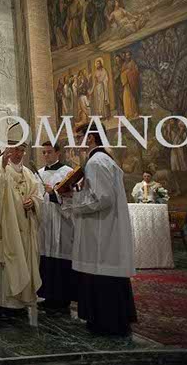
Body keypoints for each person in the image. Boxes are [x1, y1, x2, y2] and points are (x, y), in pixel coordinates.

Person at [57, 123, 137, 335]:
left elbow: (102, 198)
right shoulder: (104, 159)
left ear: (91, 137)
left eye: (79, 136)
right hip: (105, 226)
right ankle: (110, 320)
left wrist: (73, 200)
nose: (77, 140)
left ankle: (106, 321)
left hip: (101, 229)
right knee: (105, 275)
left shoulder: (96, 162)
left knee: (101, 275)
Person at [0, 123, 43, 317]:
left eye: (21, 150)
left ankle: (17, 301)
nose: (18, 154)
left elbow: (38, 195)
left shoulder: (28, 173)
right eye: (15, 149)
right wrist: (2, 169)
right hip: (2, 227)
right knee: (0, 262)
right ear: (7, 148)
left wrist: (33, 202)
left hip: (23, 229)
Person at [37, 142, 76, 311]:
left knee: (61, 259)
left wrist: (54, 194)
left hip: (62, 221)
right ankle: (48, 295)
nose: (46, 155)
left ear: (58, 153)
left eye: (49, 152)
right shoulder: (38, 173)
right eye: (44, 152)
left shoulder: (67, 173)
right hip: (45, 222)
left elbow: (73, 198)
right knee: (46, 259)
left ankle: (63, 298)